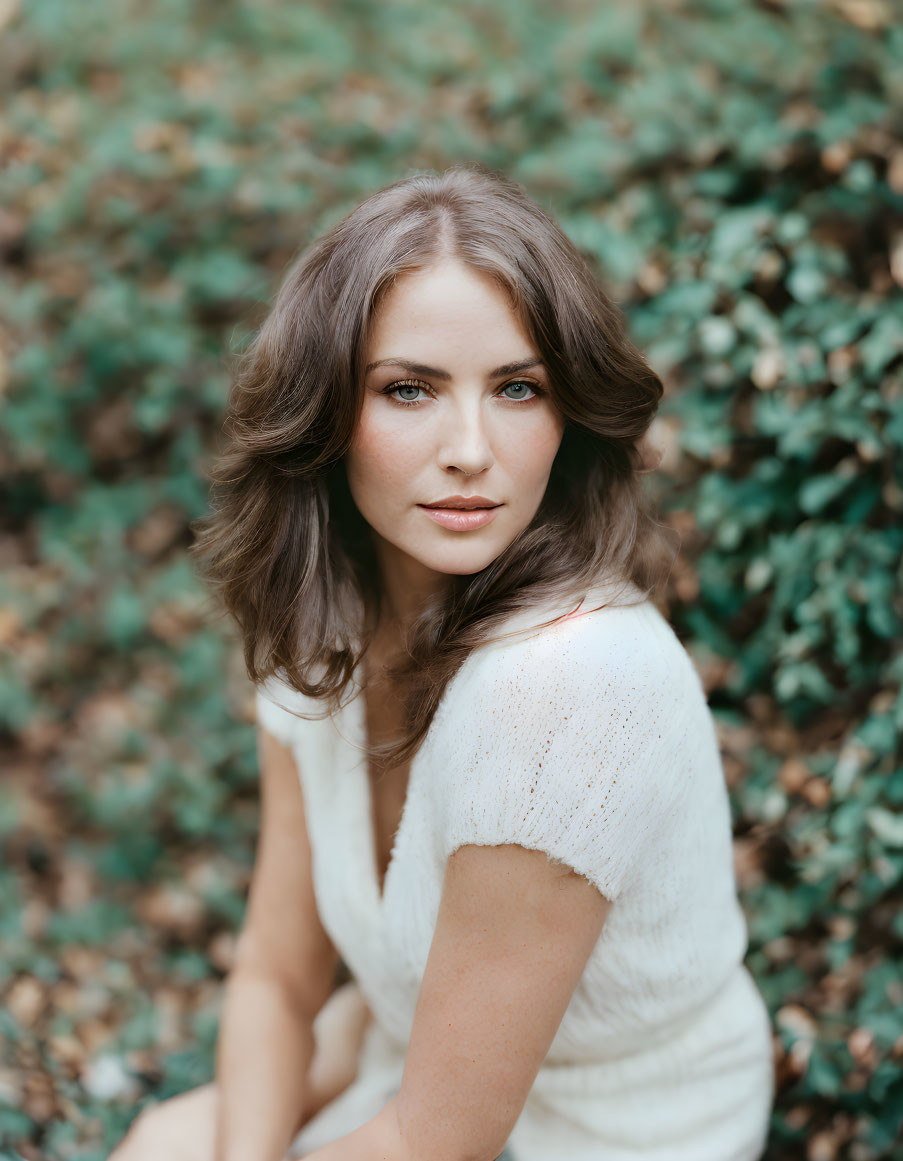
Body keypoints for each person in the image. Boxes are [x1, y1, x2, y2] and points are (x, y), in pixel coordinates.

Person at [108, 163, 774, 1161]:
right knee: (166, 1144)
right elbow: (277, 979)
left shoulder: (566, 687)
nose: (470, 448)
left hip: (611, 1133)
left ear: (568, 414)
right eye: (410, 389)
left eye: (517, 388)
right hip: (411, 1061)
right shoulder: (320, 634)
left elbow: (436, 1140)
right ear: (327, 413)